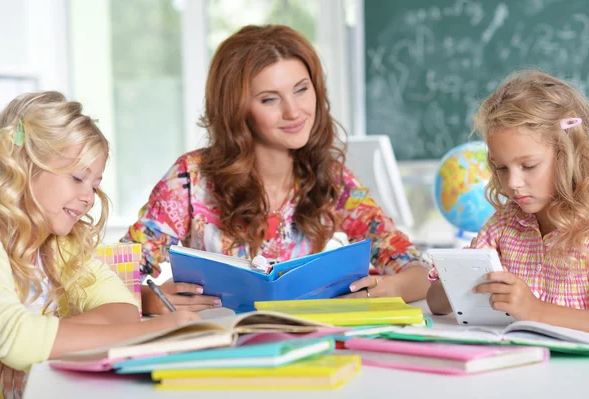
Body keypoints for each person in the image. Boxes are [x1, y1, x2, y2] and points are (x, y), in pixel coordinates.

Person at [123, 24, 430, 315]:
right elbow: (113, 277)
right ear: (236, 110)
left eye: (301, 89)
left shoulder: (333, 180)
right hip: (218, 348)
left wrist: (391, 287)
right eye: (270, 99)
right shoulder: (190, 179)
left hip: (307, 345)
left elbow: (419, 272)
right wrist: (149, 300)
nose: (294, 111)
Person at [0, 92, 199, 398]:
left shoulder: (60, 246)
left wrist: (43, 343)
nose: (89, 197)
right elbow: (17, 338)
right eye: (77, 178)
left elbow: (123, 308)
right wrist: (154, 331)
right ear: (23, 166)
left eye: (95, 185)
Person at [426, 70, 589, 332]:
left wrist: (534, 310)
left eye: (529, 165)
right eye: (501, 167)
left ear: (568, 155)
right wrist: (456, 280)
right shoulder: (504, 223)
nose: (512, 183)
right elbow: (436, 304)